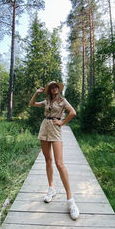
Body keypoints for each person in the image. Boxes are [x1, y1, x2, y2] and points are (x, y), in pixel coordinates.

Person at [29, 81, 80, 220]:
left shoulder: (63, 101)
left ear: (59, 89)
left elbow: (73, 112)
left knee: (59, 163)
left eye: (56, 87)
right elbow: (32, 104)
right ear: (49, 90)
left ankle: (71, 200)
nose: (54, 89)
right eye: (52, 87)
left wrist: (62, 123)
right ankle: (51, 188)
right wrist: (36, 93)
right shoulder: (46, 101)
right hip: (44, 128)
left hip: (55, 129)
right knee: (48, 160)